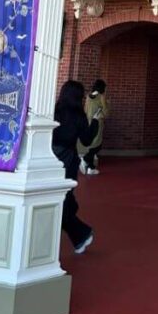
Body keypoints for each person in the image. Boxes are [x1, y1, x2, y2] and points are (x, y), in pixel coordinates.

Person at [52, 80, 101, 254]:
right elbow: (87, 140)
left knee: (56, 200)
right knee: (64, 199)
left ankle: (80, 233)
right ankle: (81, 233)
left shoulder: (53, 111)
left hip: (49, 159)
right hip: (67, 161)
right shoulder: (78, 115)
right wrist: (95, 121)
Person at [79, 79, 109, 175]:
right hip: (97, 123)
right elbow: (106, 113)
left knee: (91, 143)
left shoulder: (88, 96)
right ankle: (85, 158)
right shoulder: (101, 97)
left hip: (88, 122)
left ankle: (90, 167)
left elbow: (85, 109)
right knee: (97, 145)